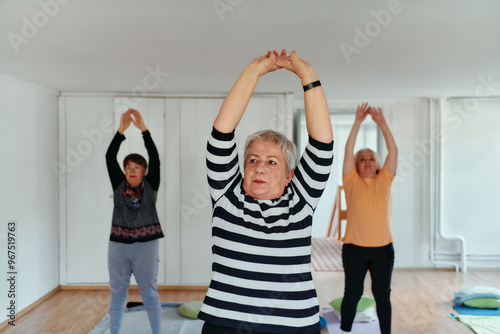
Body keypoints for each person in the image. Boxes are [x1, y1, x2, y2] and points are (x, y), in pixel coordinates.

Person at [197, 49, 334, 334]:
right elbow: (221, 133)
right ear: (243, 168)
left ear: (288, 176)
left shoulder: (301, 201)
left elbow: (322, 145)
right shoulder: (227, 197)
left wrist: (307, 75)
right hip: (227, 325)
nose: (260, 168)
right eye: (253, 160)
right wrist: (253, 71)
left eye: (272, 162)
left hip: (294, 326)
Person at [340, 103, 398, 334]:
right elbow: (347, 151)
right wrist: (357, 123)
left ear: (377, 164)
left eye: (371, 158)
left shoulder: (385, 180)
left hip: (383, 250)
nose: (366, 161)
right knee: (352, 294)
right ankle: (344, 330)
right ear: (356, 165)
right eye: (361, 159)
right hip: (354, 249)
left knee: (382, 295)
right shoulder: (351, 181)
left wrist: (382, 124)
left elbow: (393, 152)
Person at [105, 109, 164, 334]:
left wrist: (143, 130)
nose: (131, 170)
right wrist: (121, 130)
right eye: (128, 167)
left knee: (148, 292)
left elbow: (155, 158)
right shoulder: (119, 185)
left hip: (146, 246)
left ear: (144, 172)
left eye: (137, 167)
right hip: (118, 246)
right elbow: (110, 157)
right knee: (118, 293)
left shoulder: (151, 186)